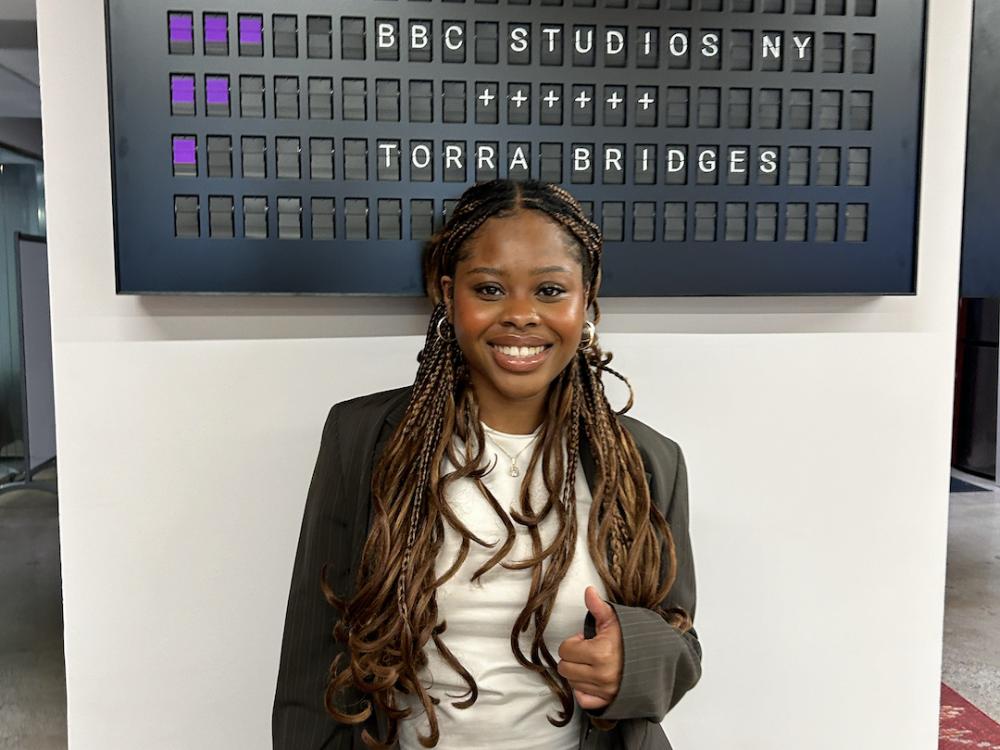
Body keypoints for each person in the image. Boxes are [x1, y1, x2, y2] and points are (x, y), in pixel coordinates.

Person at [272, 179, 702, 750]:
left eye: (550, 290)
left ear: (587, 295)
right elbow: (313, 658)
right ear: (449, 296)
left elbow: (681, 645)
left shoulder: (645, 462)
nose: (522, 315)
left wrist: (633, 660)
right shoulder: (364, 440)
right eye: (491, 289)